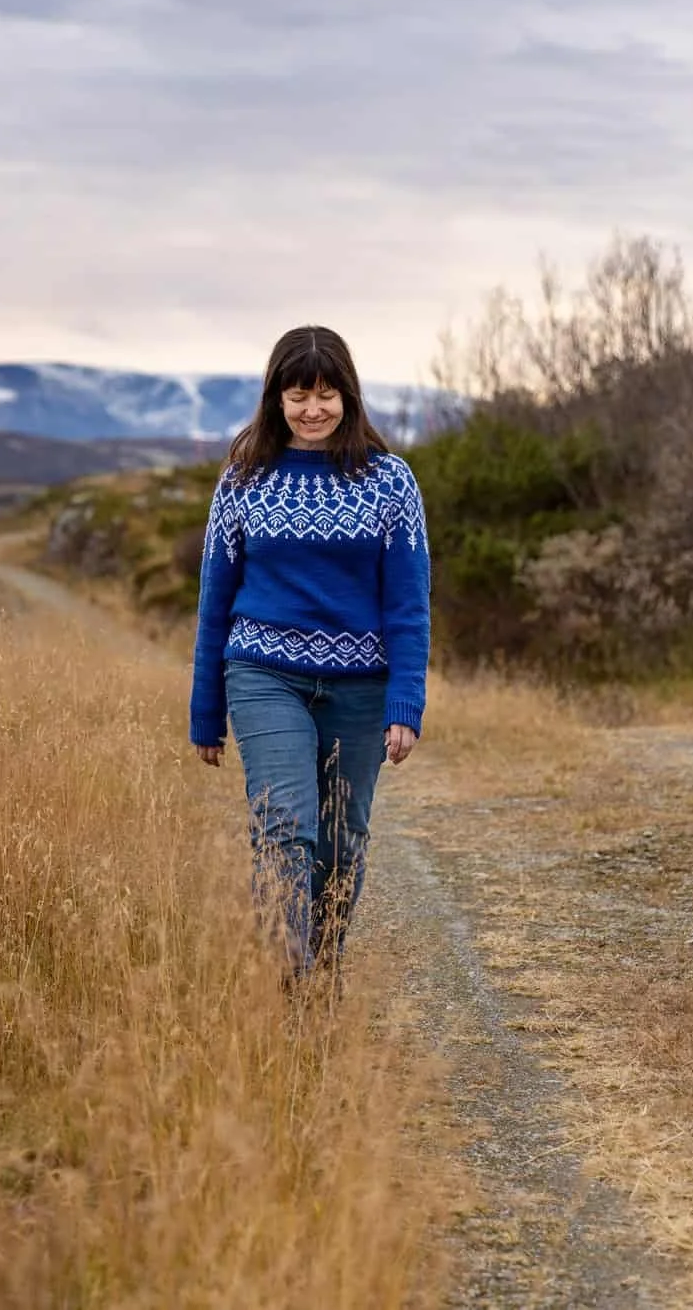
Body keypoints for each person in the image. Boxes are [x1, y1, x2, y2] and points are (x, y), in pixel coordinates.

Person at [189, 325, 432, 985]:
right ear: (277, 398)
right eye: (299, 396)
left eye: (326, 395)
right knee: (284, 827)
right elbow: (215, 602)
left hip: (361, 687)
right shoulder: (244, 480)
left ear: (349, 397)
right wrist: (205, 711)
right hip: (263, 675)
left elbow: (408, 605)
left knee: (341, 841)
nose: (312, 410)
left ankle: (322, 975)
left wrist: (406, 703)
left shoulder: (389, 482)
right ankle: (286, 984)